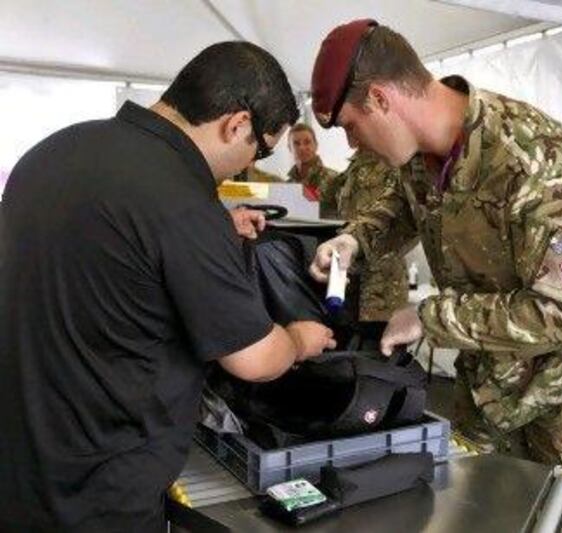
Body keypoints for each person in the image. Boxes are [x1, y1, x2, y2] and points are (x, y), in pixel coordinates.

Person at [0, 42, 336, 532]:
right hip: (99, 494)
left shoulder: (54, 151)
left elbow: (111, 255)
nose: (250, 162)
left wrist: (215, 232)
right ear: (237, 124)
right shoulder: (182, 200)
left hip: (19, 461)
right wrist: (300, 339)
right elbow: (255, 359)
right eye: (260, 149)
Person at [308, 19, 562, 467]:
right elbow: (404, 208)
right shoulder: (419, 157)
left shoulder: (532, 155)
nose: (352, 142)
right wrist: (354, 241)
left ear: (381, 99)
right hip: (490, 380)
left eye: (350, 126)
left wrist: (428, 316)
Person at [337, 149, 409, 321]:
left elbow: (401, 215)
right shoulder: (356, 164)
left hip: (383, 282)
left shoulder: (393, 158)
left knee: (385, 341)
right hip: (354, 271)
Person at [286, 123, 344, 218]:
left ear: (316, 145)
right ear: (289, 148)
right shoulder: (287, 186)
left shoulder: (335, 179)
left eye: (307, 142)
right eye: (296, 143)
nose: (302, 148)